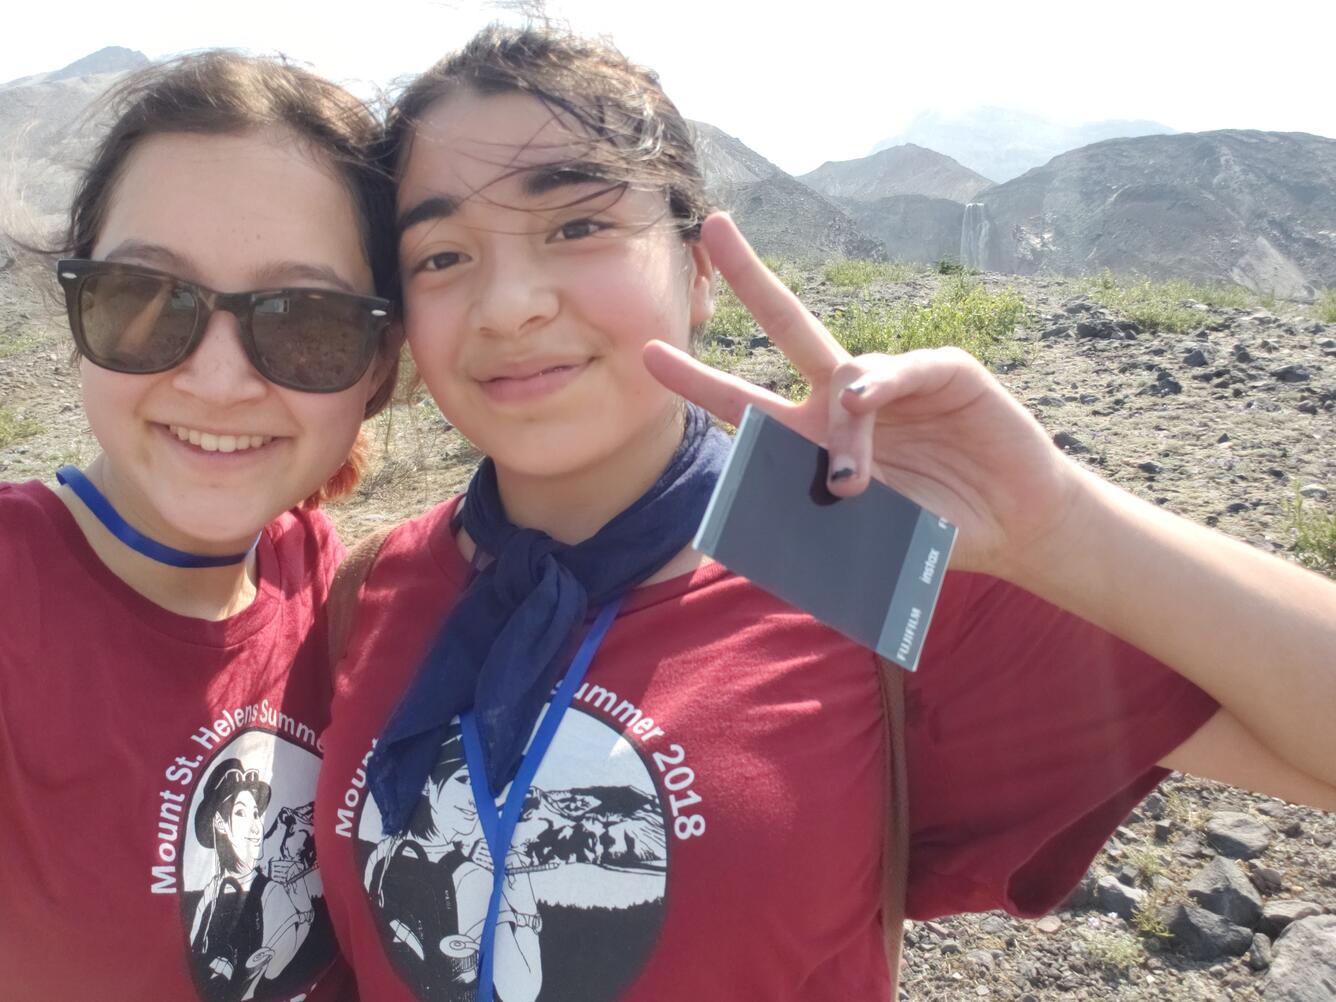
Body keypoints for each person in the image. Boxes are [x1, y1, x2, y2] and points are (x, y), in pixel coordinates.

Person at [313, 24, 1336, 1002]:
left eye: (577, 224)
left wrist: (1060, 527)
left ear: (699, 270)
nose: (507, 303)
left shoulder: (843, 551)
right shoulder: (375, 588)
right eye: (442, 256)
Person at [0, 52, 399, 1001]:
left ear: (378, 366)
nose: (218, 380)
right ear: (76, 311)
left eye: (305, 320)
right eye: (145, 296)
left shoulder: (320, 576)